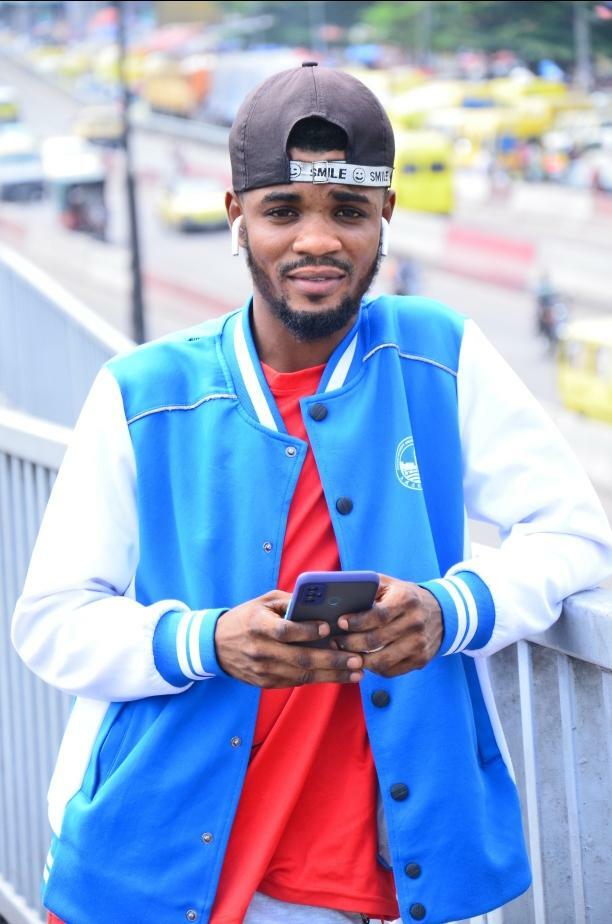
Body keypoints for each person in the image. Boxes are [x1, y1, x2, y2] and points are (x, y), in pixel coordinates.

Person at [12, 64, 612, 924]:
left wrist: (453, 609)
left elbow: (574, 532)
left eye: (348, 212)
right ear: (236, 215)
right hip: (150, 864)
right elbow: (50, 621)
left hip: (374, 879)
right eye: (284, 210)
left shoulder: (439, 355)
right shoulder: (143, 391)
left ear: (386, 215)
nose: (318, 240)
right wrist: (206, 641)